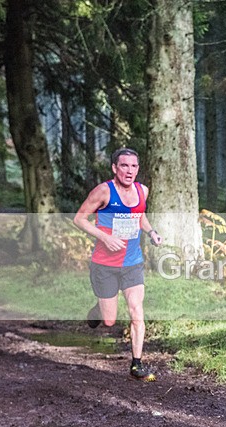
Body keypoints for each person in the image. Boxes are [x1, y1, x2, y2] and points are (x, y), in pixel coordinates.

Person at [73, 147, 163, 382]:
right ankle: (98, 309)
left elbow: (139, 215)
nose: (129, 171)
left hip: (132, 262)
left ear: (138, 169)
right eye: (124, 165)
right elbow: (79, 219)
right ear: (115, 168)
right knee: (109, 320)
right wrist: (105, 237)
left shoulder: (143, 190)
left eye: (133, 166)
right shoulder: (104, 191)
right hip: (104, 265)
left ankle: (136, 364)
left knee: (136, 310)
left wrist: (152, 232)